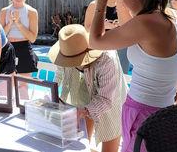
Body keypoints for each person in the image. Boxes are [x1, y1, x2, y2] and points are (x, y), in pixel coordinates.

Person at [89, 0, 177, 152]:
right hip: (166, 111)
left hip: (142, 113)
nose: (122, 3)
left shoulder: (145, 24)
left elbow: (94, 41)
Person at [49, 24, 127, 152]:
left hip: (111, 100)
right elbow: (59, 74)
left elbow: (106, 100)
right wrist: (53, 94)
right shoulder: (66, 50)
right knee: (82, 145)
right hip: (80, 93)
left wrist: (84, 110)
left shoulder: (107, 59)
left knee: (110, 143)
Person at [84, 0, 131, 74]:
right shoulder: (94, 5)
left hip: (121, 47)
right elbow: (87, 29)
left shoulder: (123, 6)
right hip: (101, 47)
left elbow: (130, 27)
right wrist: (103, 25)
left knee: (123, 76)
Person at [0, 0, 39, 76]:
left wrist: (18, 23)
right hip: (8, 48)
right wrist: (10, 23)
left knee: (23, 86)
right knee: (7, 84)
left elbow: (33, 38)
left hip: (24, 48)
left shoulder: (32, 12)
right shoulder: (4, 12)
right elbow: (1, 37)